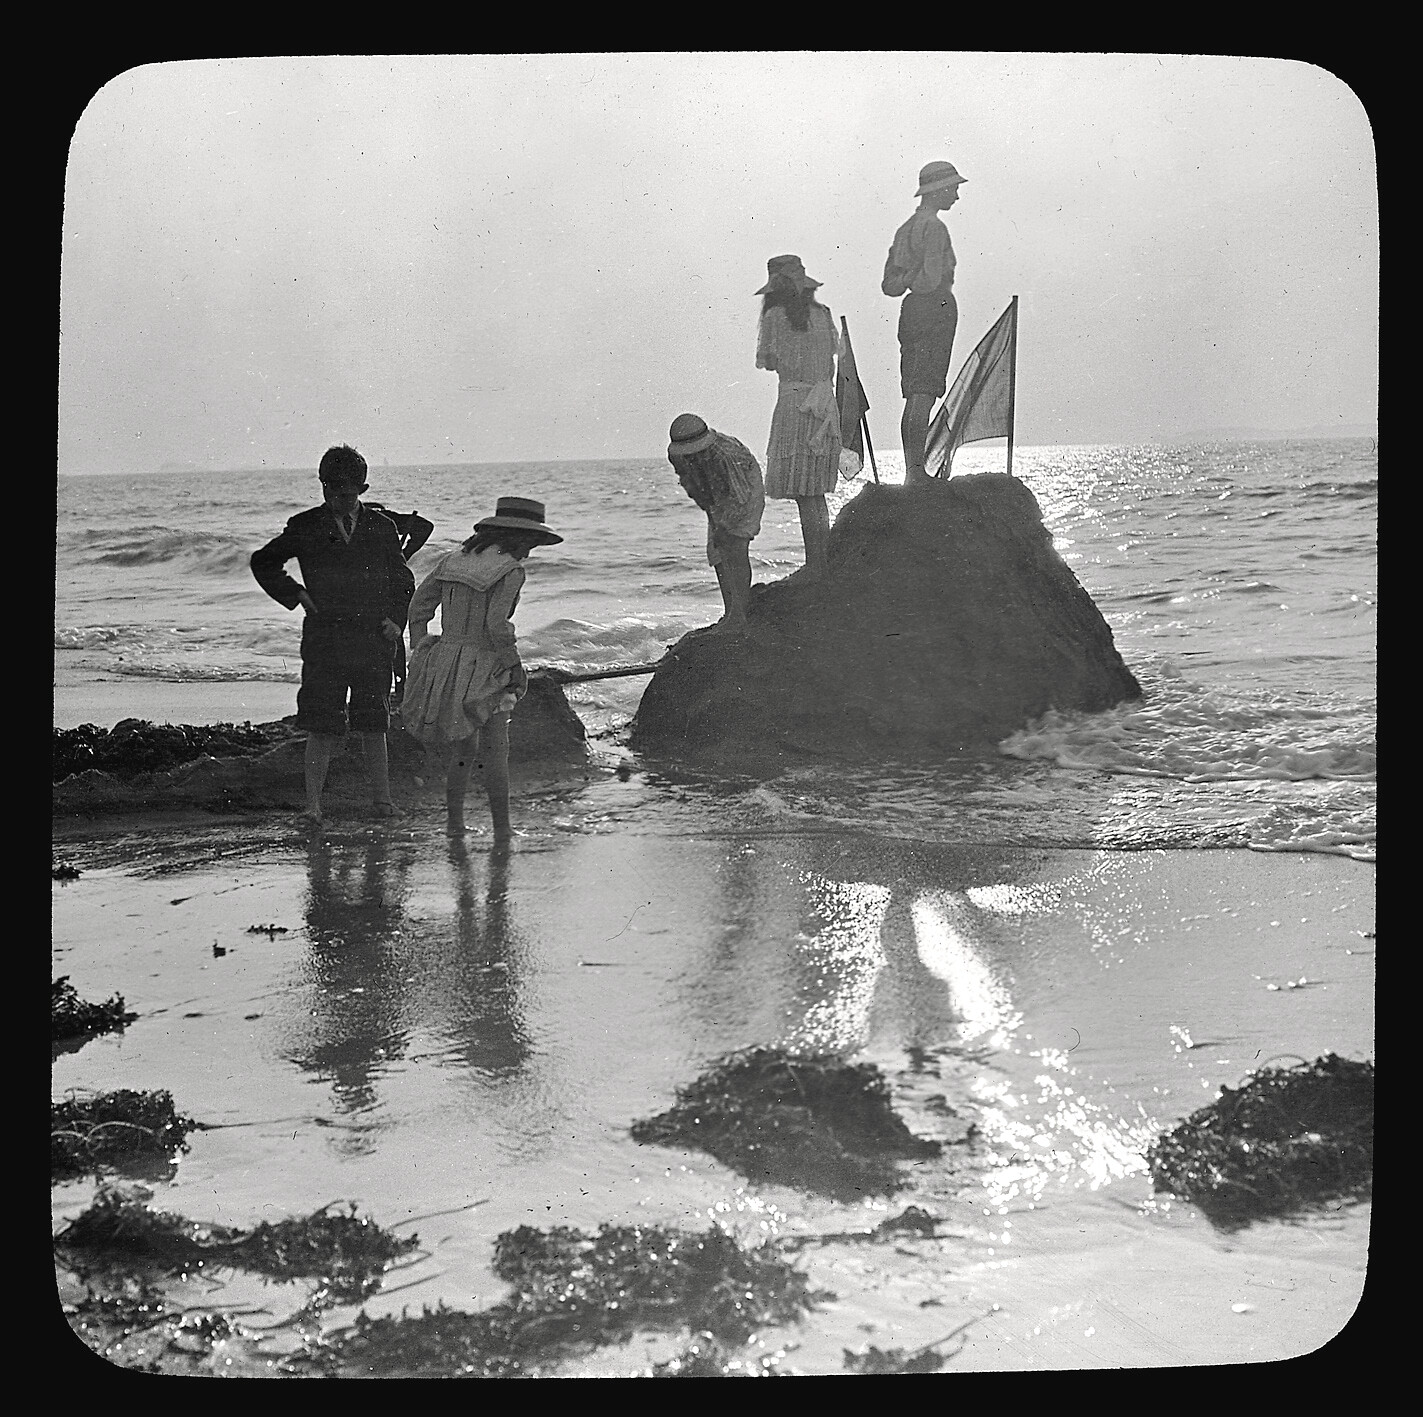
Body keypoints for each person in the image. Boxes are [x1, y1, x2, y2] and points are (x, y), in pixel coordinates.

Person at [251, 445, 415, 826]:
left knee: (375, 722)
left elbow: (402, 579)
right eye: (329, 490)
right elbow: (264, 561)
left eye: (345, 493)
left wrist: (396, 620)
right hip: (325, 639)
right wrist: (297, 594)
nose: (337, 499)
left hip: (373, 638)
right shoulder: (305, 524)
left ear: (363, 488)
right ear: (322, 486)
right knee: (321, 723)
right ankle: (312, 806)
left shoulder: (381, 526)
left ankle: (383, 802)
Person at [400, 496, 562, 840]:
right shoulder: (510, 570)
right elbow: (496, 626)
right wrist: (515, 666)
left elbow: (418, 607)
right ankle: (502, 829)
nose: (530, 553)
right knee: (496, 749)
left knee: (464, 748)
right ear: (517, 537)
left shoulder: (452, 560)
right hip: (485, 664)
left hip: (447, 660)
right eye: (531, 543)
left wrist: (422, 648)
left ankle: (455, 824)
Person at [754, 253, 842, 579]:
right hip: (823, 402)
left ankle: (815, 564)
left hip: (794, 402)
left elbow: (769, 362)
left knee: (804, 493)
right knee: (816, 491)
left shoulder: (774, 317)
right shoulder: (823, 314)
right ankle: (824, 560)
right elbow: (832, 365)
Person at [882, 160, 966, 485]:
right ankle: (915, 472)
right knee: (924, 391)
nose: (956, 196)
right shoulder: (935, 228)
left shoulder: (905, 229)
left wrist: (907, 276)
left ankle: (912, 469)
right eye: (954, 188)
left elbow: (890, 284)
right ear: (939, 189)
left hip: (913, 311)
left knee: (916, 392)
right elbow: (931, 279)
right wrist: (917, 277)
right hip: (934, 308)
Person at [665, 413, 766, 632]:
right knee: (717, 551)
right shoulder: (677, 455)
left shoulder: (728, 457)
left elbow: (739, 498)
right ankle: (731, 612)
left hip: (745, 490)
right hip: (719, 494)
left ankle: (740, 616)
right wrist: (714, 519)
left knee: (735, 547)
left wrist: (725, 527)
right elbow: (696, 488)